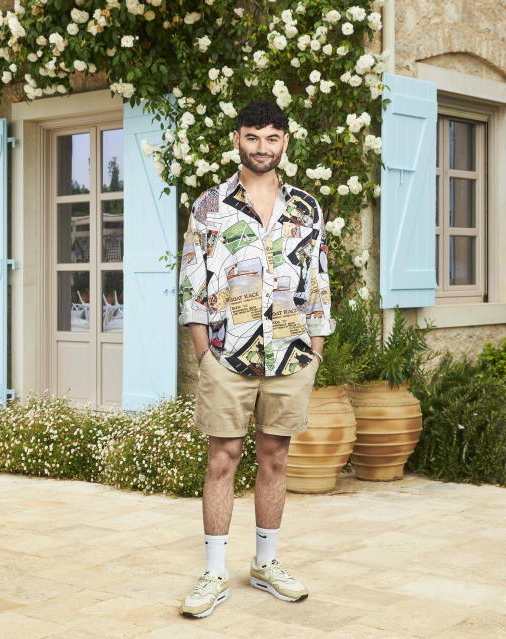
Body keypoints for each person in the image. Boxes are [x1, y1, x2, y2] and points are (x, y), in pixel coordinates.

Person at [176, 100, 335, 619]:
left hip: (290, 353)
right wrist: (205, 356)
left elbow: (318, 286)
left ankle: (266, 564)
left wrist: (314, 352)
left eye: (271, 138)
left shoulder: (307, 209)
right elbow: (191, 285)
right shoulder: (209, 207)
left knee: (276, 458)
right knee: (222, 458)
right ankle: (214, 572)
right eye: (252, 137)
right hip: (227, 354)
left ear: (285, 142)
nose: (261, 147)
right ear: (237, 140)